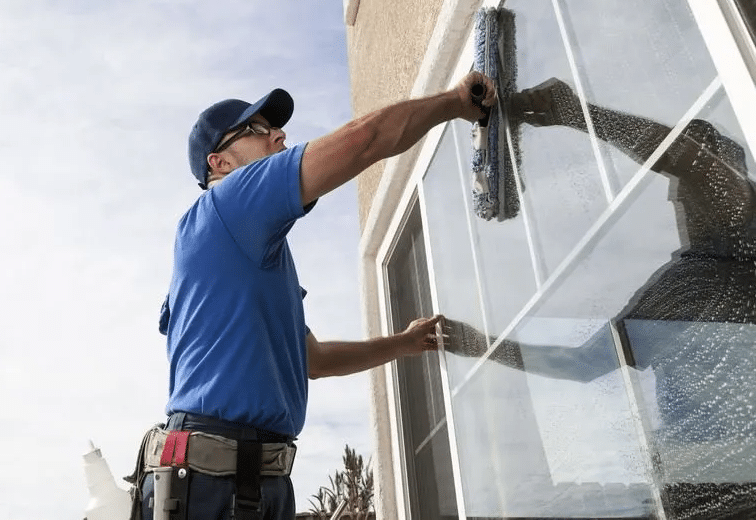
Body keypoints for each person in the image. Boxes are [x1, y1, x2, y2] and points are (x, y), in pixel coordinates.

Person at [136, 71, 496, 520]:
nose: (278, 135)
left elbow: (314, 360)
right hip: (212, 483)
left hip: (247, 480)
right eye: (258, 131)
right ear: (220, 163)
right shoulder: (228, 206)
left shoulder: (249, 256)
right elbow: (364, 140)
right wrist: (456, 102)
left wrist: (403, 343)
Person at [447, 77, 756, 520]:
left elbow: (581, 364)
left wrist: (479, 347)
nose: (675, 203)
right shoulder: (716, 274)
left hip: (705, 495)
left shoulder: (694, 286)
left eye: (682, 190)